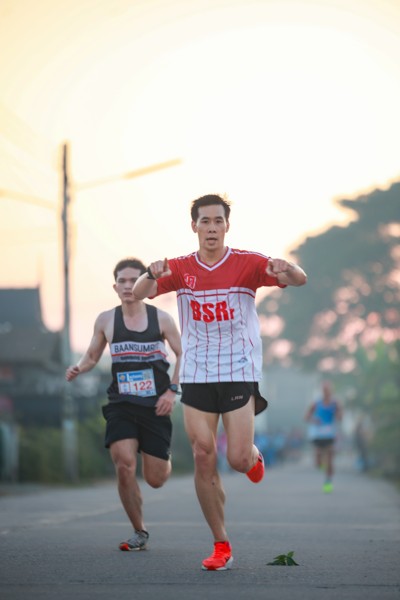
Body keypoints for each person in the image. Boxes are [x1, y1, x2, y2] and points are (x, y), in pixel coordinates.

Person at [132, 194, 307, 570]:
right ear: (193, 226)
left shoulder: (247, 263)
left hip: (238, 369)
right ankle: (221, 544)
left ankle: (253, 458)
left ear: (227, 225)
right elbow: (139, 293)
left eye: (217, 221)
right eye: (204, 221)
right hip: (197, 371)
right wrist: (150, 273)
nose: (211, 228)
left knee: (237, 458)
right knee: (202, 454)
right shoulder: (180, 268)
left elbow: (299, 279)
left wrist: (286, 266)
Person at [65, 257, 182, 551]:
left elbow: (184, 354)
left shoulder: (162, 319)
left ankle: (162, 456)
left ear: (146, 284)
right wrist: (79, 367)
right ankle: (139, 530)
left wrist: (172, 391)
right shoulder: (106, 320)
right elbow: (92, 355)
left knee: (155, 479)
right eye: (123, 281)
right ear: (115, 286)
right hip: (121, 404)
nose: (128, 286)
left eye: (134, 280)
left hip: (156, 405)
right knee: (124, 466)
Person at [305, 380, 343, 493]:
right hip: (318, 434)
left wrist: (338, 412)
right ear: (322, 391)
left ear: (331, 391)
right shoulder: (316, 403)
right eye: (324, 390)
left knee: (330, 459)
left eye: (328, 390)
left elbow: (340, 417)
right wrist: (314, 420)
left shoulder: (335, 403)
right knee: (318, 462)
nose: (326, 392)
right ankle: (322, 464)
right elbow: (306, 416)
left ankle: (328, 481)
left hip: (330, 433)